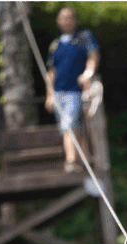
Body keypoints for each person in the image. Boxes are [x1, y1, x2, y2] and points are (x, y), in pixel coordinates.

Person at [45, 7, 100, 172]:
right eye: (63, 18)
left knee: (69, 124)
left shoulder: (84, 37)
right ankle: (83, 160)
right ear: (58, 21)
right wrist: (49, 94)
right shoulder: (55, 44)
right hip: (59, 92)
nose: (66, 21)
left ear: (75, 20)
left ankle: (71, 162)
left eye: (70, 18)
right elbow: (51, 71)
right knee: (70, 127)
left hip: (76, 91)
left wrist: (88, 74)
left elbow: (93, 56)